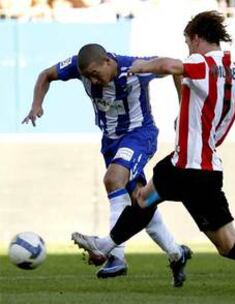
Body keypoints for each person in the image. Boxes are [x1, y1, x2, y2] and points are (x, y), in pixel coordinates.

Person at [71, 11, 235, 292]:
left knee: (143, 200)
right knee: (229, 244)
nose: (187, 49)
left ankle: (106, 246)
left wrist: (141, 66)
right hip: (208, 172)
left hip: (185, 165)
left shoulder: (201, 63)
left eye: (187, 43)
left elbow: (172, 66)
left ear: (196, 38)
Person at [22, 44, 192, 286]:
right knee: (140, 201)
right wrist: (36, 105)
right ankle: (177, 254)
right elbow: (45, 75)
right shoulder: (78, 67)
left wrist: (182, 109)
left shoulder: (135, 68)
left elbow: (176, 67)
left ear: (107, 61)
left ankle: (114, 255)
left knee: (113, 180)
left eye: (95, 73)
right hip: (110, 142)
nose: (93, 79)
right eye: (88, 76)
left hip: (139, 135)